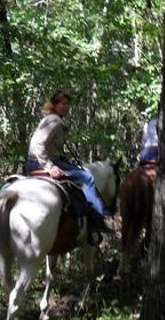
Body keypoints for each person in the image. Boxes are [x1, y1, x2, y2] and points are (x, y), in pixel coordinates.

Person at [24, 89, 110, 232]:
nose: (66, 107)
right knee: (87, 178)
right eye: (62, 104)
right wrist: (49, 166)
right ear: (55, 105)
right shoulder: (54, 120)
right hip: (41, 162)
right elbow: (37, 144)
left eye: (68, 104)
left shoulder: (50, 119)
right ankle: (98, 220)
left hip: (34, 162)